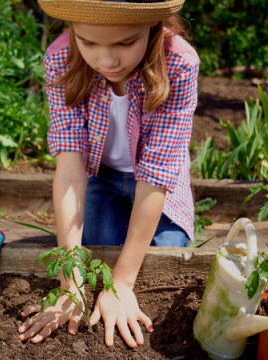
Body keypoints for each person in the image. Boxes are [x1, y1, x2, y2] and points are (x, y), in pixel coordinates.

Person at [18, 0, 200, 349]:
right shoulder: (61, 58)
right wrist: (71, 287)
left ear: (154, 26)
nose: (106, 61)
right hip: (97, 174)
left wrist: (122, 285)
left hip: (159, 182)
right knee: (99, 249)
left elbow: (157, 174)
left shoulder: (178, 62)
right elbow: (70, 174)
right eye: (88, 43)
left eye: (125, 43)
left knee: (165, 256)